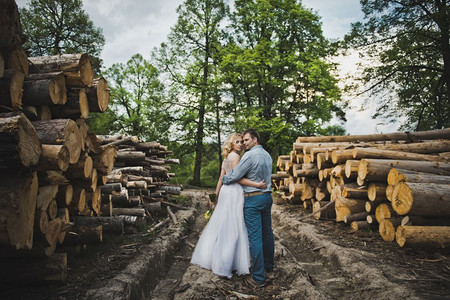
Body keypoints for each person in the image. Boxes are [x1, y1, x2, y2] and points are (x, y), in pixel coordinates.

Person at [190, 133, 267, 279]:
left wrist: (215, 196)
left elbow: (221, 179)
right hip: (234, 193)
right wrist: (257, 184)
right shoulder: (236, 157)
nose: (240, 144)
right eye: (236, 142)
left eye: (241, 142)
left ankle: (221, 260)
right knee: (234, 227)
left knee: (224, 225)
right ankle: (225, 263)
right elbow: (238, 179)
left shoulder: (226, 158)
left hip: (226, 191)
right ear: (231, 144)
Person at [221, 129, 274, 288]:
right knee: (267, 233)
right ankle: (269, 267)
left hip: (253, 199)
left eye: (246, 140)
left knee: (255, 238)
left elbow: (235, 174)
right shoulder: (267, 155)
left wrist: (224, 178)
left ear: (255, 139)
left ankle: (258, 278)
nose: (244, 143)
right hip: (267, 197)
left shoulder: (250, 156)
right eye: (242, 140)